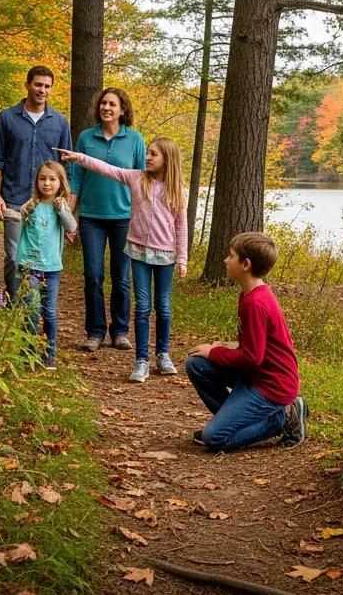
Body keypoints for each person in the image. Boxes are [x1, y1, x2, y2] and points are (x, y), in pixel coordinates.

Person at [60, 138, 187, 383]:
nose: (148, 157)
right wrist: (80, 158)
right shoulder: (136, 178)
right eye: (148, 153)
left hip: (166, 256)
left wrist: (182, 258)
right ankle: (141, 360)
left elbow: (181, 226)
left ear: (167, 160)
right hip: (139, 252)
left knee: (163, 306)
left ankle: (162, 354)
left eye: (153, 154)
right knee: (142, 306)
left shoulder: (176, 190)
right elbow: (108, 169)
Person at [185, 232, 308, 451]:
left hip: (272, 385)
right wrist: (217, 350)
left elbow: (252, 357)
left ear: (246, 264)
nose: (225, 260)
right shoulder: (249, 294)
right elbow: (254, 349)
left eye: (231, 256)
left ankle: (282, 418)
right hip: (255, 375)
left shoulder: (256, 303)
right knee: (196, 364)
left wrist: (214, 352)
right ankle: (229, 423)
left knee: (214, 439)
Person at [67, 87, 146, 352]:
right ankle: (95, 331)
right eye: (103, 103)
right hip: (91, 217)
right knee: (93, 275)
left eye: (112, 104)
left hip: (124, 217)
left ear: (123, 109)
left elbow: (142, 180)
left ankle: (121, 331)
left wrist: (144, 217)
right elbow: (76, 177)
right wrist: (70, 217)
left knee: (122, 277)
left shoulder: (134, 139)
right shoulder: (86, 137)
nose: (106, 108)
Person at [0, 66, 72, 305]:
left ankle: (34, 309)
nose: (42, 90)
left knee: (40, 258)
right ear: (27, 85)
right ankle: (15, 305)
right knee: (14, 257)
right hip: (14, 198)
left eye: (46, 86)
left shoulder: (60, 123)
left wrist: (65, 208)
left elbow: (65, 169)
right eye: (38, 84)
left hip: (46, 204)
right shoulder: (7, 117)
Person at [17, 161, 77, 369]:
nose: (47, 183)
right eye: (43, 179)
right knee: (31, 310)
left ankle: (49, 353)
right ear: (37, 182)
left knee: (49, 311)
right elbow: (16, 220)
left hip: (51, 268)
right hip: (28, 265)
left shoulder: (60, 207)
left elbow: (71, 227)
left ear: (60, 183)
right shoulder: (31, 205)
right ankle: (28, 352)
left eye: (52, 179)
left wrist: (62, 209)